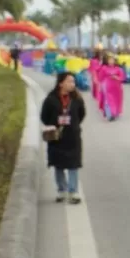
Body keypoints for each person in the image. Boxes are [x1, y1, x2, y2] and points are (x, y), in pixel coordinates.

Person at [42, 72, 87, 204]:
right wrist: (54, 124)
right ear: (61, 83)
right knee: (59, 165)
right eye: (69, 81)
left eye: (73, 81)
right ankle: (62, 190)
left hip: (73, 136)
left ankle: (73, 192)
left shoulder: (77, 99)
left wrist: (73, 125)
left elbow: (81, 114)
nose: (72, 84)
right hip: (57, 137)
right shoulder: (51, 99)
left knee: (73, 165)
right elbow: (44, 117)